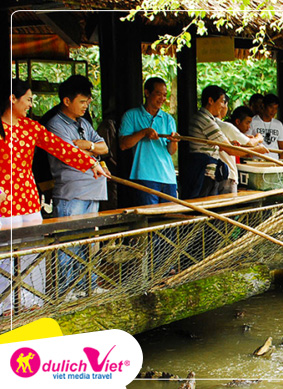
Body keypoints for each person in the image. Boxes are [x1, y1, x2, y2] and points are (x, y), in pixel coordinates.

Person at [1, 79, 108, 310]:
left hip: (28, 197)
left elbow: (60, 147)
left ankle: (31, 301)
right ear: (12, 99)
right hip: (2, 201)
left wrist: (90, 163)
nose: (31, 104)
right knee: (5, 255)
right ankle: (6, 306)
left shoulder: (30, 127)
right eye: (28, 99)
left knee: (33, 252)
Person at [45, 75, 109, 296]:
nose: (85, 106)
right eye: (82, 102)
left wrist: (88, 145)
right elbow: (69, 154)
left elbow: (104, 148)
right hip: (71, 192)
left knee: (88, 242)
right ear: (66, 101)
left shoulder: (84, 123)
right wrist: (89, 151)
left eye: (87, 102)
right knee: (67, 244)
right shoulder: (55, 124)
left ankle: (88, 286)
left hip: (93, 190)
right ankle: (66, 291)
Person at [119, 77, 179, 205]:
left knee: (170, 220)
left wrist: (174, 141)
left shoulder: (168, 119)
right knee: (150, 219)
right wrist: (143, 132)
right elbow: (123, 144)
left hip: (168, 177)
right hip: (144, 176)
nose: (162, 99)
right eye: (158, 94)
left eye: (164, 95)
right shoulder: (131, 115)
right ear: (147, 93)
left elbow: (171, 151)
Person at [185, 85, 248, 199]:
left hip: (207, 173)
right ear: (210, 100)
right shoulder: (205, 121)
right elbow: (230, 150)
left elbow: (223, 145)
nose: (223, 106)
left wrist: (230, 143)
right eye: (222, 102)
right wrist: (255, 150)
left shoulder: (203, 118)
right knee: (203, 210)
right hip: (203, 174)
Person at [218, 105, 267, 194]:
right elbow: (250, 143)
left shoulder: (225, 128)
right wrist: (259, 138)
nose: (249, 127)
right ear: (237, 121)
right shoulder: (228, 127)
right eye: (247, 123)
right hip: (227, 176)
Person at [248, 93, 283, 160]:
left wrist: (279, 163)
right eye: (271, 107)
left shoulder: (278, 124)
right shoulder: (252, 122)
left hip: (274, 162)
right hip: (257, 161)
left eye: (276, 108)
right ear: (263, 106)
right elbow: (247, 144)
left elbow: (282, 148)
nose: (273, 111)